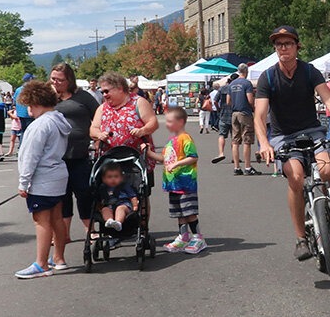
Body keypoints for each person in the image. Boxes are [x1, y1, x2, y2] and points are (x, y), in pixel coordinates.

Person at [254, 25, 330, 261]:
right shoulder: (268, 77)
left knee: (327, 169)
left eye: (288, 43)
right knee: (296, 177)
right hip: (283, 136)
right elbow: (259, 115)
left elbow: (328, 97)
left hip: (312, 131)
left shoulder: (310, 72)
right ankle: (301, 238)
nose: (283, 48)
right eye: (279, 44)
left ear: (297, 46)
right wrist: (264, 142)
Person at [15, 80, 72, 278]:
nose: (29, 110)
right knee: (57, 218)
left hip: (43, 178)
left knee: (41, 221)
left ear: (36, 102)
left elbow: (30, 156)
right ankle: (59, 258)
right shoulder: (58, 119)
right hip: (58, 175)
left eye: (29, 105)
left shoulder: (40, 125)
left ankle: (41, 264)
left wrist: (23, 183)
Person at [148, 106, 207, 255]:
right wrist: (149, 153)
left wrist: (177, 164)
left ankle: (197, 237)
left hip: (185, 183)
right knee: (179, 213)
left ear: (180, 122)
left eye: (169, 121)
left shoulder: (185, 139)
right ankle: (183, 236)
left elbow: (193, 156)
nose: (166, 124)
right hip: (173, 184)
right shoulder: (171, 141)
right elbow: (164, 159)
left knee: (189, 211)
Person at [51, 62, 99, 237]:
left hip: (79, 154)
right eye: (53, 79)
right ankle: (64, 234)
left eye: (60, 80)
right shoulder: (49, 97)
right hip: (56, 156)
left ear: (69, 80)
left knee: (84, 192)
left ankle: (90, 230)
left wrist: (97, 135)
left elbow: (99, 115)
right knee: (62, 196)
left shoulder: (83, 96)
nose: (56, 83)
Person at [227, 63, 259, 175]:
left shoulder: (231, 84)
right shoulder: (247, 83)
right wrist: (254, 108)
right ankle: (247, 167)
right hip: (244, 113)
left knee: (235, 140)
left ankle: (236, 167)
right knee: (247, 140)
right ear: (246, 71)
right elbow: (250, 99)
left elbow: (228, 101)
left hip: (234, 113)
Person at [97, 164, 139, 233]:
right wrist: (98, 206)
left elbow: (132, 196)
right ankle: (109, 221)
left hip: (124, 204)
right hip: (109, 205)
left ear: (121, 178)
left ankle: (118, 222)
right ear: (104, 179)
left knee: (120, 209)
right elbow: (99, 198)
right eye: (109, 177)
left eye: (116, 177)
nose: (113, 179)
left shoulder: (125, 186)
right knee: (105, 209)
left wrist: (135, 205)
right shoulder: (103, 187)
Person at [212, 73, 234, 164]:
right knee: (234, 137)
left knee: (222, 135)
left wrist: (218, 109)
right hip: (234, 114)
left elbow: (215, 101)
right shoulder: (235, 88)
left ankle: (221, 153)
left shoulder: (222, 88)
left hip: (223, 114)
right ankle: (234, 156)